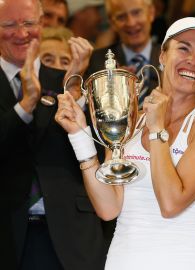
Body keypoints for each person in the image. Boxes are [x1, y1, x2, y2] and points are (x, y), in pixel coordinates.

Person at [55, 17, 195, 270]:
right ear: (162, 55)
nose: (192, 60)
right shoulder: (130, 120)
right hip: (122, 260)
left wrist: (158, 129)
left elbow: (171, 204)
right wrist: (79, 136)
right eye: (183, 48)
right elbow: (108, 208)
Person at [0, 0, 106, 269]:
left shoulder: (71, 81)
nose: (21, 33)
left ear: (42, 24)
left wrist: (75, 96)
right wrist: (24, 107)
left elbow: (104, 152)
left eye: (28, 23)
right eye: (9, 25)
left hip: (72, 238)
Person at [85, 0, 160, 109]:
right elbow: (88, 109)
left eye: (136, 13)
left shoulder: (171, 58)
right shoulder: (96, 61)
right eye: (121, 17)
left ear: (151, 13)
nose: (131, 23)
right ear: (112, 22)